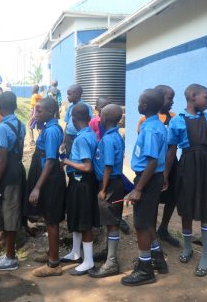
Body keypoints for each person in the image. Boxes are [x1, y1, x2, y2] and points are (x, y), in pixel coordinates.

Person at [164, 84, 207, 277]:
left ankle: (206, 255)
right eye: (206, 97)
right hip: (187, 165)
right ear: (193, 97)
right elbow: (171, 150)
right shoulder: (177, 121)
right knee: (186, 206)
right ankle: (187, 247)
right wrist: (165, 174)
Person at [121, 89, 169, 286]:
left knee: (141, 224)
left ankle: (145, 269)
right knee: (148, 220)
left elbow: (151, 161)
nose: (137, 104)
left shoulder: (149, 129)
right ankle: (156, 257)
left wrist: (138, 188)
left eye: (140, 101)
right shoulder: (157, 125)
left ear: (145, 106)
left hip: (147, 179)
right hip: (153, 178)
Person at [0, 92, 26, 271]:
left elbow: (2, 160)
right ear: (15, 106)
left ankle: (10, 258)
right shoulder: (20, 124)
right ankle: (8, 253)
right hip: (17, 169)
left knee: (8, 213)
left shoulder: (2, 128)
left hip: (6, 173)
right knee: (11, 210)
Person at [27, 98, 67, 277]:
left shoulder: (51, 131)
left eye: (40, 111)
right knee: (47, 216)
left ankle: (54, 264)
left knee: (51, 220)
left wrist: (37, 187)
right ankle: (51, 253)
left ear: (51, 112)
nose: (36, 114)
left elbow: (50, 161)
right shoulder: (49, 127)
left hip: (49, 179)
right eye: (36, 110)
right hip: (47, 176)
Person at [137, 85, 180, 247]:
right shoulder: (146, 121)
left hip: (170, 164)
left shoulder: (174, 118)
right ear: (159, 98)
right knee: (152, 201)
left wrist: (167, 173)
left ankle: (164, 228)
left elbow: (173, 147)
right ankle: (152, 231)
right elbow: (147, 150)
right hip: (155, 167)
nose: (172, 102)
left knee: (171, 198)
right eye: (169, 98)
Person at [60, 103, 99, 275]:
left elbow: (87, 166)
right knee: (76, 217)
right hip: (79, 183)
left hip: (82, 182)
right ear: (89, 118)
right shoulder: (89, 134)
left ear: (73, 120)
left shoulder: (82, 139)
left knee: (84, 222)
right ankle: (76, 253)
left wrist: (66, 161)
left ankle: (88, 261)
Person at [88, 104, 125, 278]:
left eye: (101, 115)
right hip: (111, 183)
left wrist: (103, 189)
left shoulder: (109, 139)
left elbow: (108, 166)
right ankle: (107, 251)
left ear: (105, 118)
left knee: (111, 222)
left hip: (110, 185)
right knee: (110, 220)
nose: (99, 117)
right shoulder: (114, 136)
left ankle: (111, 262)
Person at [62, 85, 93, 157]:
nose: (67, 97)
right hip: (69, 137)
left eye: (69, 94)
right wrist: (63, 142)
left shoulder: (86, 107)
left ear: (77, 94)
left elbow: (90, 122)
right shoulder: (69, 107)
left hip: (81, 136)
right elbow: (67, 124)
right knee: (69, 154)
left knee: (80, 155)